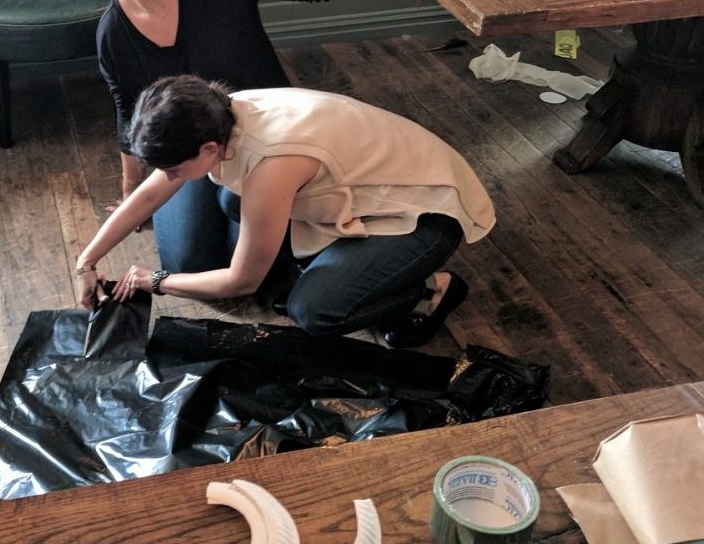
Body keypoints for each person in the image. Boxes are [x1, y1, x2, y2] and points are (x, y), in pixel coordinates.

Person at [90, 0, 463, 275]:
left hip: (267, 140)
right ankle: (247, 212)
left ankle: (257, 213)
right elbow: (127, 112)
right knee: (188, 262)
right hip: (194, 149)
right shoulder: (113, 32)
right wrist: (130, 193)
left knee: (255, 262)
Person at [75, 75, 495, 347]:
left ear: (207, 149)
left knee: (313, 310)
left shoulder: (270, 165)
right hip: (368, 181)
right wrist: (86, 261)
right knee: (230, 200)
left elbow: (242, 282)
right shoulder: (217, 113)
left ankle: (430, 290)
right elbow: (148, 197)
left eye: (173, 168)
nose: (167, 177)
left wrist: (158, 281)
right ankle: (320, 262)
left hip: (428, 212)